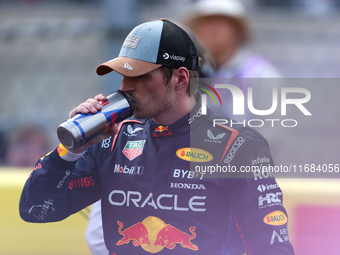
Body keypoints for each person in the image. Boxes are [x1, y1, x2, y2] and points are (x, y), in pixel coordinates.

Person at [19, 18, 294, 254]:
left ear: (180, 78)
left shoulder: (238, 146)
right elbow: (37, 210)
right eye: (122, 76)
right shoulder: (111, 139)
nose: (125, 88)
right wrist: (72, 149)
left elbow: (271, 246)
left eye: (140, 77)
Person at [182, 0, 281, 79]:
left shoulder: (261, 74)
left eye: (220, 23)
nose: (211, 30)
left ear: (238, 30)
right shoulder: (189, 74)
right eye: (205, 23)